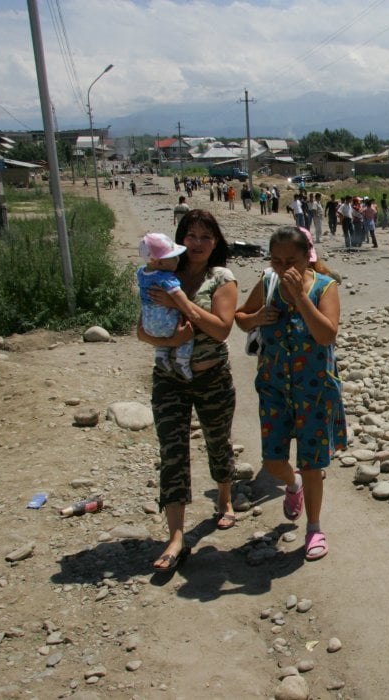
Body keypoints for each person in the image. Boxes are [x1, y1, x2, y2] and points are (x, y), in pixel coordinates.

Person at [234, 227, 346, 561]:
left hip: (314, 390)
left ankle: (314, 529)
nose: (285, 269)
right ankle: (292, 485)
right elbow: (240, 318)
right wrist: (255, 317)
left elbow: (327, 335)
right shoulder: (268, 282)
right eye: (277, 260)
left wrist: (299, 297)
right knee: (273, 461)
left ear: (307, 257)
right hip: (274, 388)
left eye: (292, 261)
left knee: (312, 464)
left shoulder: (325, 287)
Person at [137, 210, 239, 571]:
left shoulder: (221, 278)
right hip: (169, 377)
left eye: (206, 237)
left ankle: (224, 498)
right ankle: (176, 535)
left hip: (211, 376)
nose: (198, 244)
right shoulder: (163, 274)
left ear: (216, 243)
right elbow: (141, 330)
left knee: (217, 440)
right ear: (180, 240)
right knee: (172, 451)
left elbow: (222, 330)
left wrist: (181, 304)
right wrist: (172, 337)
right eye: (191, 236)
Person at [137, 232, 195, 379]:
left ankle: (161, 355)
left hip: (147, 322)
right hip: (165, 321)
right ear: (159, 263)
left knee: (160, 336)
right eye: (173, 257)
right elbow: (177, 294)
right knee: (187, 335)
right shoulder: (165, 277)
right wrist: (189, 310)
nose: (177, 260)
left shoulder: (142, 273)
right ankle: (182, 361)